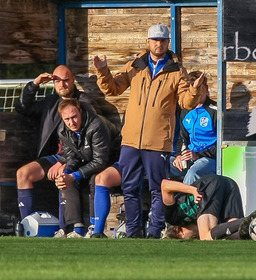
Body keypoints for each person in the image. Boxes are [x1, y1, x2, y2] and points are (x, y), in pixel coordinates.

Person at [93, 23, 201, 238]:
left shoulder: (177, 70)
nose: (158, 44)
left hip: (158, 142)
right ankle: (133, 232)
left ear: (168, 42)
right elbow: (112, 89)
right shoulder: (135, 66)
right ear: (148, 42)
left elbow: (186, 103)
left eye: (162, 40)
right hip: (131, 140)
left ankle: (154, 232)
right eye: (155, 40)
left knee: (158, 189)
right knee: (130, 188)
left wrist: (195, 89)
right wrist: (103, 70)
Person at [15, 65, 95, 228]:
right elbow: (22, 107)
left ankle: (63, 229)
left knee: (62, 175)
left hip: (79, 157)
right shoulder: (51, 102)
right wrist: (35, 84)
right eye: (57, 81)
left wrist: (64, 162)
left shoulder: (84, 103)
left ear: (73, 80)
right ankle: (27, 227)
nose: (62, 85)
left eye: (66, 80)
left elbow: (89, 139)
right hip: (54, 156)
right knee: (23, 174)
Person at [51, 99, 121, 237]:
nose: (71, 122)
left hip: (112, 162)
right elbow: (71, 157)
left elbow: (100, 161)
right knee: (68, 180)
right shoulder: (63, 130)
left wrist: (73, 175)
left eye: (74, 117)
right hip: (89, 162)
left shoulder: (96, 125)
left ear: (81, 112)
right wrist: (66, 174)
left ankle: (94, 227)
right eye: (67, 119)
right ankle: (77, 229)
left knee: (95, 179)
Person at [160, 175, 244, 240]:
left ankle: (248, 219)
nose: (196, 237)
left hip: (208, 187)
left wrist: (192, 190)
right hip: (230, 185)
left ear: (180, 233)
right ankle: (250, 222)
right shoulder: (196, 220)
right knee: (235, 235)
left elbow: (165, 185)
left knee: (205, 238)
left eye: (193, 237)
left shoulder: (172, 218)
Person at [171, 71, 218, 185]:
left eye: (199, 88)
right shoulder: (185, 111)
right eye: (191, 89)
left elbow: (222, 145)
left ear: (206, 88)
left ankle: (185, 197)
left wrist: (198, 154)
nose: (196, 92)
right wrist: (179, 155)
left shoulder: (215, 111)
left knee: (193, 173)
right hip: (189, 157)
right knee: (161, 165)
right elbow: (182, 138)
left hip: (210, 159)